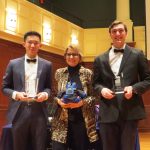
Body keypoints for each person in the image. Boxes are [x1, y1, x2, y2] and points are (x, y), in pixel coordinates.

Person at [92, 20, 150, 150]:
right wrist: (102, 90)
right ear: (110, 34)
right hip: (107, 111)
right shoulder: (99, 59)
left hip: (130, 111)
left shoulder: (137, 54)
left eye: (121, 31)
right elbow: (95, 84)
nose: (117, 34)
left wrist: (134, 88)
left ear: (126, 33)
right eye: (114, 31)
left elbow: (147, 79)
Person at [1, 31, 52, 150]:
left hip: (40, 112)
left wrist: (45, 94)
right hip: (19, 112)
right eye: (30, 42)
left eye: (36, 43)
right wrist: (16, 94)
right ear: (24, 44)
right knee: (19, 146)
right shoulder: (13, 64)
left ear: (40, 45)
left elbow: (49, 87)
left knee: (39, 146)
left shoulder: (47, 65)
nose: (32, 45)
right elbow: (4, 87)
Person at [51, 45, 99, 150]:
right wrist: (58, 101)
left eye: (75, 54)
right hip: (61, 121)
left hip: (82, 121)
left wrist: (82, 103)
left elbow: (95, 96)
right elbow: (53, 94)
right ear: (65, 56)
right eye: (69, 54)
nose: (71, 57)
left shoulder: (88, 73)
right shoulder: (59, 73)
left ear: (80, 57)